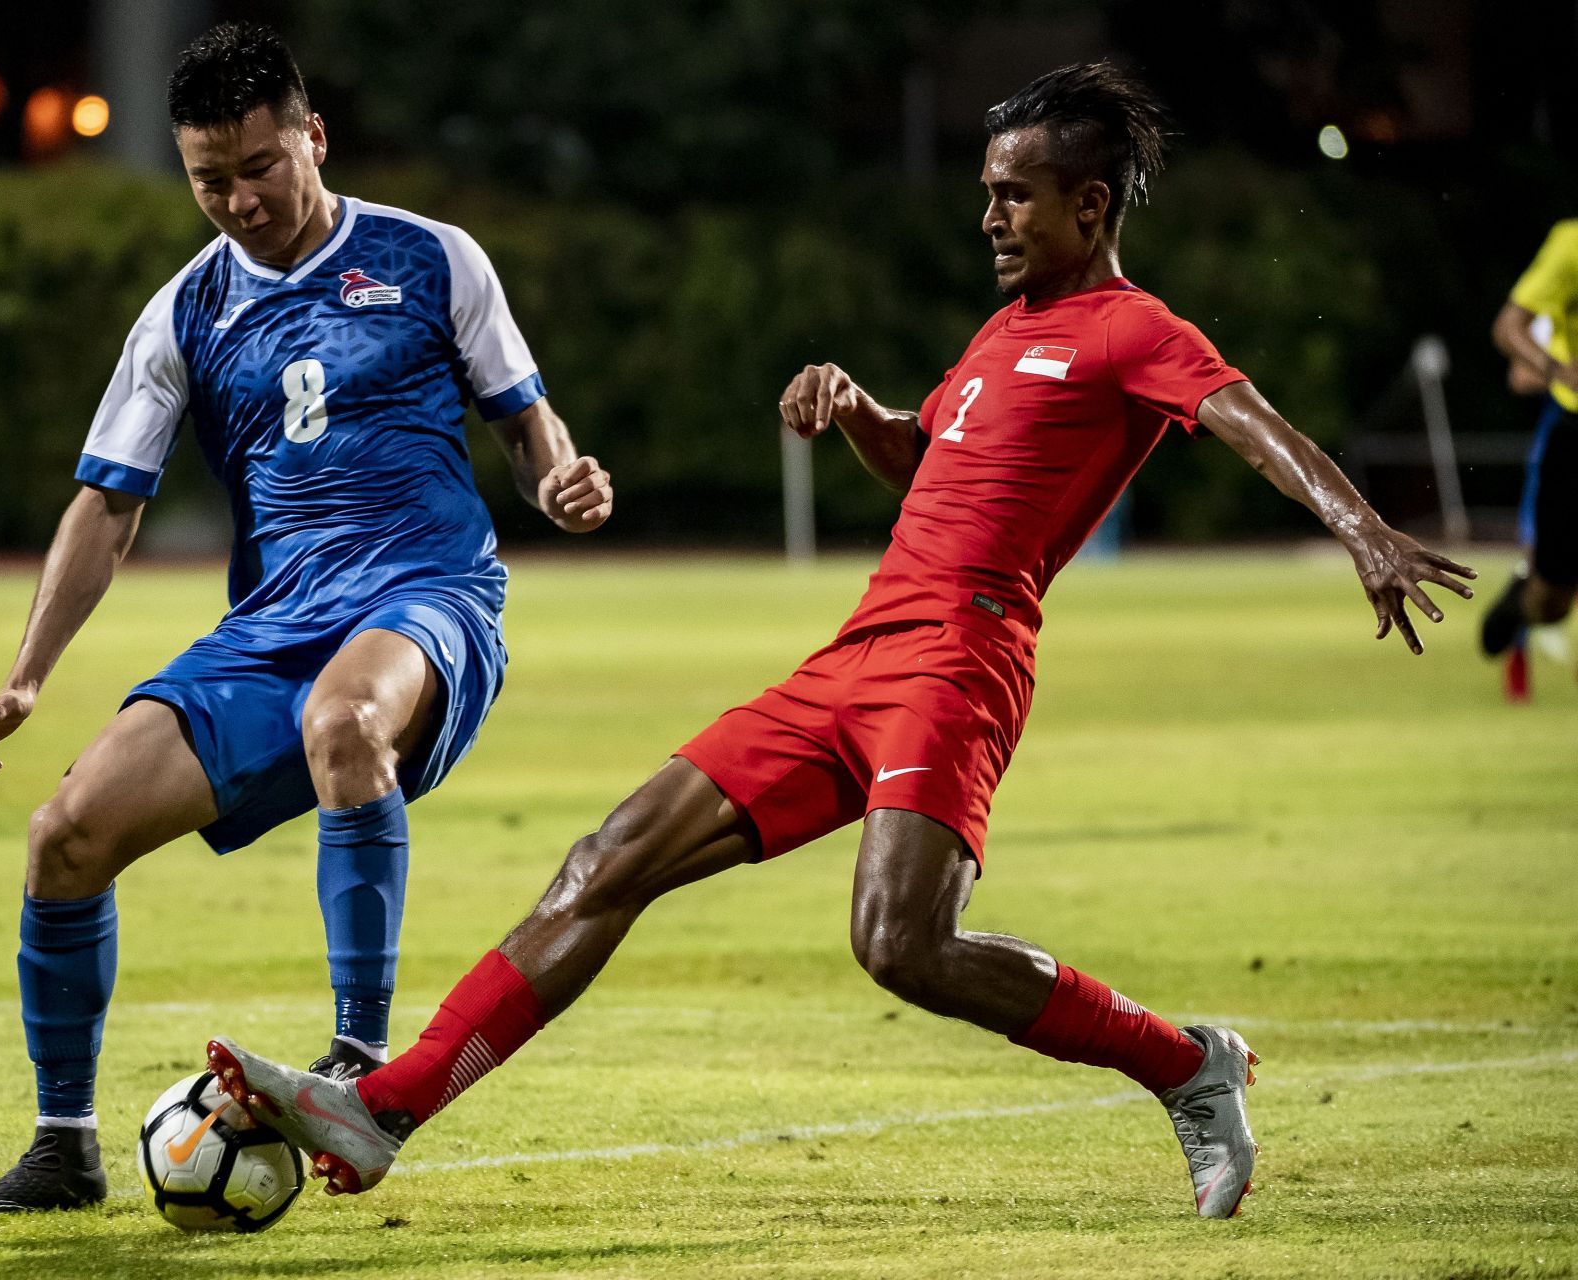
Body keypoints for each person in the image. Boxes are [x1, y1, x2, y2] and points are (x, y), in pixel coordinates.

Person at [206, 62, 1473, 1221]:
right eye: (987, 193)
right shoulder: (1001, 332)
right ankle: (385, 1111)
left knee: (900, 944)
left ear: (1090, 207)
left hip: (962, 659)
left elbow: (1245, 416)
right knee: (609, 855)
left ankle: (1186, 1063)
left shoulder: (1130, 328)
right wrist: (866, 413)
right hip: (858, 651)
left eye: (1015, 197)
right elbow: (931, 465)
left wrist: (1363, 528)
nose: (989, 218)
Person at [0, 22, 613, 1214]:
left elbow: (524, 418)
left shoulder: (430, 257)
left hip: (430, 592)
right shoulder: (184, 313)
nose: (240, 199)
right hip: (275, 621)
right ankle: (62, 1144)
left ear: (314, 136)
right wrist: (29, 675)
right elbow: (106, 506)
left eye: (261, 167)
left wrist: (560, 474)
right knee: (64, 835)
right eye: (211, 178)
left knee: (346, 719)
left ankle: (356, 1069)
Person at [1481, 221, 1578, 673]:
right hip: (1573, 433)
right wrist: (1557, 369)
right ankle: (1524, 599)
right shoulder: (1570, 244)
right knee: (1553, 603)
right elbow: (1511, 334)